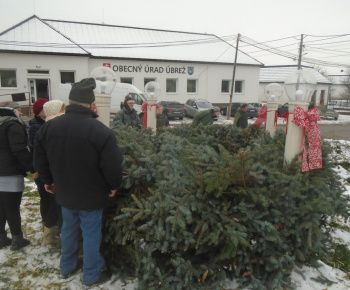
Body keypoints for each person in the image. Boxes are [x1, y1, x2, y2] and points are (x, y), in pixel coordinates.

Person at [34, 78, 123, 287]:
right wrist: (113, 185)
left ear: (70, 101)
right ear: (90, 104)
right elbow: (113, 164)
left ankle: (67, 267)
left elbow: (39, 158)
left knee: (69, 231)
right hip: (91, 196)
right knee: (91, 236)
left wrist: (47, 180)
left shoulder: (48, 128)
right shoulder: (100, 131)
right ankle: (91, 275)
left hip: (64, 193)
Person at [0, 101, 35, 251]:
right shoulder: (13, 125)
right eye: (19, 110)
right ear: (12, 111)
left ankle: (1, 237)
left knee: (1, 207)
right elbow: (19, 149)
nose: (21, 113)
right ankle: (17, 238)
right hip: (10, 172)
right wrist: (31, 168)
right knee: (12, 207)